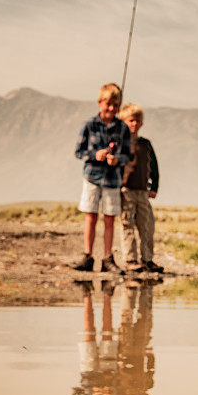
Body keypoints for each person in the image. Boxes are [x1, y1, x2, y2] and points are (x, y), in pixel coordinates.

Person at [74, 83, 131, 274]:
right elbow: (78, 152)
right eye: (108, 104)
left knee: (109, 219)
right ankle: (88, 256)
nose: (112, 109)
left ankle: (108, 258)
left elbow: (127, 156)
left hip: (112, 180)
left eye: (116, 105)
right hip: (92, 178)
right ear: (100, 103)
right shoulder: (89, 125)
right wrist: (94, 155)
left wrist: (117, 160)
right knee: (90, 217)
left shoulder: (123, 128)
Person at [117, 103, 164, 274]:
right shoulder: (120, 144)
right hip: (126, 191)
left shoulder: (146, 144)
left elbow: (155, 168)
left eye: (137, 121)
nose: (134, 124)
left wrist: (154, 187)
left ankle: (147, 259)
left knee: (147, 226)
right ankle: (131, 260)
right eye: (130, 120)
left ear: (141, 123)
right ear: (123, 122)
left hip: (143, 192)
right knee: (127, 225)